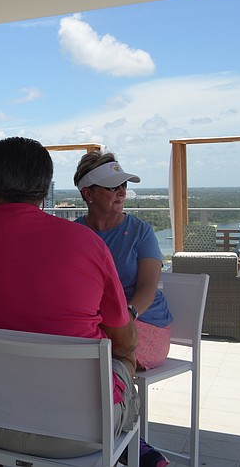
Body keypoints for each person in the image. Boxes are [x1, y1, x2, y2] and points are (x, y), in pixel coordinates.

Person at [0, 137, 166, 467]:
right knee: (123, 354)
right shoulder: (88, 244)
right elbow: (124, 340)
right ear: (44, 193)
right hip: (82, 433)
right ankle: (136, 449)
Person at [74, 152, 173, 371]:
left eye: (124, 185)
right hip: (96, 324)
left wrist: (126, 316)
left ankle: (119, 402)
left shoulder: (141, 232)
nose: (122, 192)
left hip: (141, 322)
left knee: (95, 357)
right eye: (112, 187)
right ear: (88, 193)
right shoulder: (74, 233)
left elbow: (148, 287)